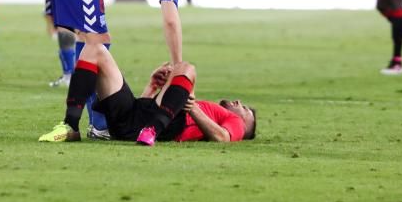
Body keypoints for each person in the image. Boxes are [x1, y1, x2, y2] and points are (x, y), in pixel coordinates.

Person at [37, 0, 218, 142]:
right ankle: (91, 125)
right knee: (95, 42)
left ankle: (94, 124)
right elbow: (171, 20)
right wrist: (177, 67)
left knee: (92, 41)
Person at [39, 44, 256, 145]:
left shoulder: (233, 123)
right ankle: (71, 127)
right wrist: (151, 88)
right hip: (134, 121)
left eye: (245, 109)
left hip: (160, 126)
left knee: (187, 68)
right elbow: (144, 114)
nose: (239, 103)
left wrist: (194, 108)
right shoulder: (197, 108)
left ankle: (151, 131)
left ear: (244, 127)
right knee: (94, 49)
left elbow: (222, 138)